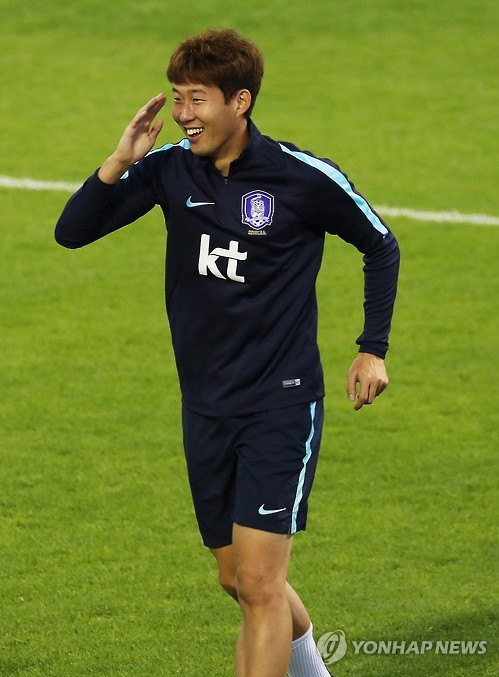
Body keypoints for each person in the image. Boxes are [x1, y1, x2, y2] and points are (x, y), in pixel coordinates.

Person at [55, 28, 400, 677]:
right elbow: (72, 233)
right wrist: (119, 160)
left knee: (261, 584)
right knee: (236, 578)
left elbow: (380, 244)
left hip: (280, 403)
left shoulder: (300, 177)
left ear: (239, 101)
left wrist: (371, 349)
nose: (183, 113)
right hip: (205, 406)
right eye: (178, 97)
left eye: (197, 98)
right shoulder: (169, 168)